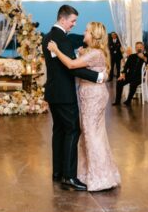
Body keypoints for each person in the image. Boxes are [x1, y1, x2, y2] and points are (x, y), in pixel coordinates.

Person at [47, 21, 120, 193]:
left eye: (87, 31)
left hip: (93, 96)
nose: (84, 33)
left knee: (91, 134)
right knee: (92, 133)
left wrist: (56, 51)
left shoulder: (95, 53)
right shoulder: (92, 52)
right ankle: (92, 173)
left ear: (94, 36)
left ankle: (100, 176)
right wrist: (80, 54)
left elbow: (72, 66)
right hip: (90, 95)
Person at [42, 4, 105, 191]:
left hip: (53, 93)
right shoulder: (61, 39)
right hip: (64, 94)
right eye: (72, 21)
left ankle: (58, 171)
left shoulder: (48, 37)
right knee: (72, 131)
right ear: (63, 19)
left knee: (59, 131)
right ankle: (69, 176)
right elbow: (71, 67)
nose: (74, 25)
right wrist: (97, 76)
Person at [114, 42, 147, 106]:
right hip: (129, 76)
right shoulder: (132, 56)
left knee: (133, 83)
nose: (139, 48)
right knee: (119, 81)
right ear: (135, 48)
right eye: (137, 47)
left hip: (140, 77)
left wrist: (143, 57)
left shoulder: (146, 56)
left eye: (140, 47)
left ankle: (128, 101)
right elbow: (126, 67)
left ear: (143, 48)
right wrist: (123, 74)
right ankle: (117, 101)